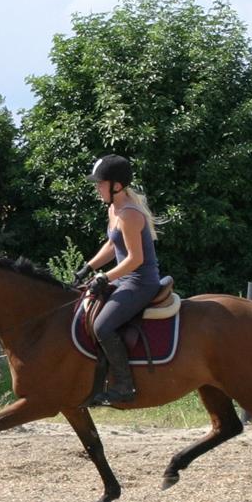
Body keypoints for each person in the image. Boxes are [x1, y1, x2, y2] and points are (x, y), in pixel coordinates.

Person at [73, 154, 162, 406]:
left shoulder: (130, 215)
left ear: (117, 185)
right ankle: (96, 382)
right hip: (125, 280)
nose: (97, 188)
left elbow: (134, 259)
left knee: (102, 326)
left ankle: (124, 386)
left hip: (141, 282)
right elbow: (113, 245)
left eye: (101, 183)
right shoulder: (114, 209)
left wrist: (104, 276)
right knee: (85, 311)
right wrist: (88, 267)